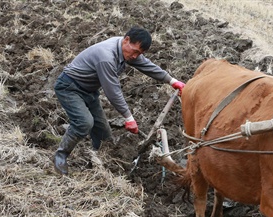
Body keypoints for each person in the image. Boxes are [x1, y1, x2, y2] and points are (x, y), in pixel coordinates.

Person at [53, 26, 185, 175]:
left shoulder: (124, 48)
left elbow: (146, 65)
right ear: (127, 39)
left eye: (139, 53)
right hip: (70, 87)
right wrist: (128, 117)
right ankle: (61, 156)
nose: (135, 56)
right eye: (135, 52)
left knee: (104, 135)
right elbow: (112, 90)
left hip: (88, 91)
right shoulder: (106, 57)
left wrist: (172, 81)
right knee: (84, 122)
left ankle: (100, 163)